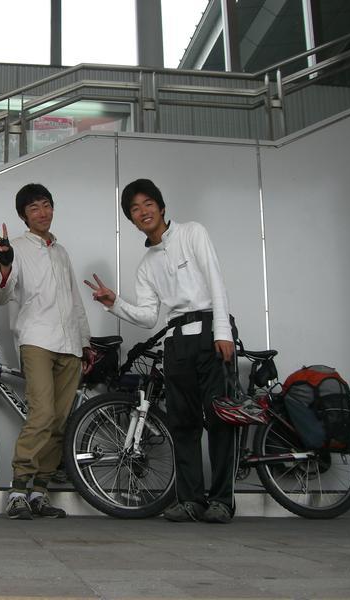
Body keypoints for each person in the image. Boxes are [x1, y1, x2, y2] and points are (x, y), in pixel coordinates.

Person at [85, 178, 237, 524]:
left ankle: (222, 501)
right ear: (132, 220)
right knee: (183, 423)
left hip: (211, 333)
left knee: (220, 419)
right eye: (135, 209)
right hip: (176, 341)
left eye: (148, 204)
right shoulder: (146, 265)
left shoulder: (193, 233)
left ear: (162, 207)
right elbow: (148, 316)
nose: (143, 212)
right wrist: (115, 303)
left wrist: (223, 331)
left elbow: (216, 280)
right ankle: (191, 500)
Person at [0, 183, 93, 520]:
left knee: (59, 422)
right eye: (34, 208)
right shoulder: (16, 248)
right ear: (24, 215)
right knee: (42, 414)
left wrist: (85, 341)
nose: (42, 212)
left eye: (46, 205)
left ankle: (40, 492)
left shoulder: (61, 252)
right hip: (36, 340)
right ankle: (18, 490)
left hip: (70, 345)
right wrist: (5, 265)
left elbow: (75, 300)